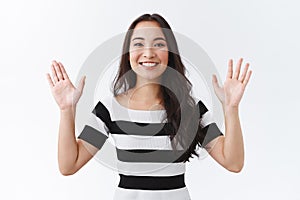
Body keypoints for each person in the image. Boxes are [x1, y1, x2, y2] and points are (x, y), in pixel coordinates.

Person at [46, 13, 252, 200]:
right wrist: (66, 110)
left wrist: (231, 108)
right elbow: (68, 165)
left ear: (170, 53)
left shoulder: (191, 109)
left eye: (159, 44)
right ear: (128, 53)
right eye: (138, 44)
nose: (148, 52)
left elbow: (233, 162)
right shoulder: (109, 109)